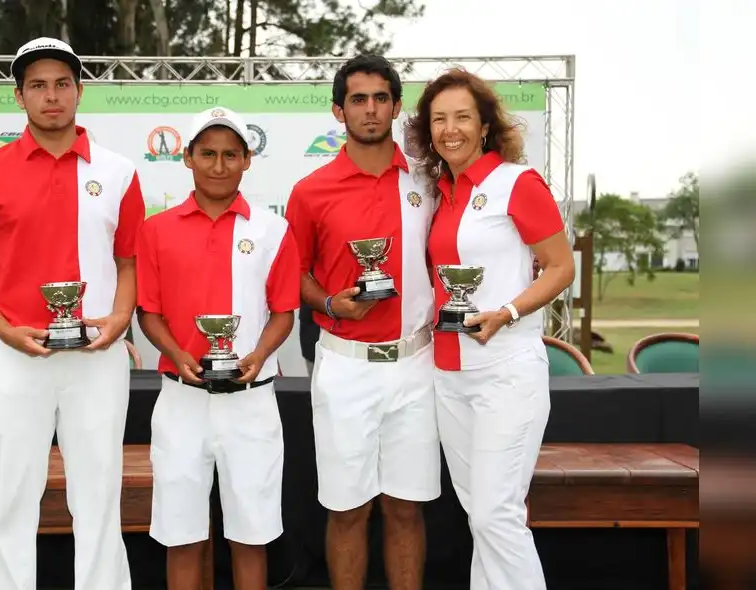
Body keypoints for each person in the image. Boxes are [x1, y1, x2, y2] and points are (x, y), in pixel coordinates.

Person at [0, 37, 145, 590]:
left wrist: (119, 318)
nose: (51, 96)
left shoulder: (120, 171)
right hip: (14, 356)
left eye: (61, 84)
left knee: (99, 494)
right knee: (10, 494)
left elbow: (129, 262)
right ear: (19, 96)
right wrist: (3, 328)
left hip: (96, 358)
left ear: (79, 91)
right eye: (38, 86)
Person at [406, 67, 575, 590]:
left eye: (462, 117)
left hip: (506, 371)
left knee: (495, 515)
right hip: (450, 374)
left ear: (484, 126)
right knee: (481, 513)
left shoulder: (516, 182)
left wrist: (507, 311)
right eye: (438, 119)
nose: (449, 129)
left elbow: (561, 267)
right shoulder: (439, 193)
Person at [284, 55, 440, 590]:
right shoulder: (310, 190)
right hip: (346, 365)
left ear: (397, 107)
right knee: (348, 511)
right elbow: (293, 275)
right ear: (338, 110)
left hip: (417, 365)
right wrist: (330, 304)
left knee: (405, 509)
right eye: (358, 99)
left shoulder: (429, 180)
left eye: (380, 98)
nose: (370, 109)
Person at [136, 106, 300, 590]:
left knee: (252, 533)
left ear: (248, 159)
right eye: (207, 153)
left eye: (231, 154)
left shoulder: (272, 229)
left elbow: (284, 311)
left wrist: (258, 355)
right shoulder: (156, 229)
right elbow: (149, 312)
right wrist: (180, 355)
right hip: (181, 399)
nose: (218, 164)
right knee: (180, 533)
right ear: (186, 158)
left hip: (251, 400)